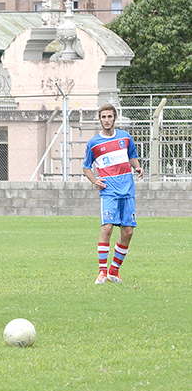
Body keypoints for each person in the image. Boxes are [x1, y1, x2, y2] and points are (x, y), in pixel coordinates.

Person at [83, 104, 144, 285]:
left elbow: (132, 156)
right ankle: (102, 272)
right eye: (103, 117)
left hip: (127, 190)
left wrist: (137, 166)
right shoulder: (93, 143)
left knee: (128, 232)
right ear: (100, 119)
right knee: (107, 228)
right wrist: (95, 181)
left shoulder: (125, 138)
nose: (107, 120)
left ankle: (114, 272)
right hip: (108, 191)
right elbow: (86, 167)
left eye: (110, 116)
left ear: (115, 118)